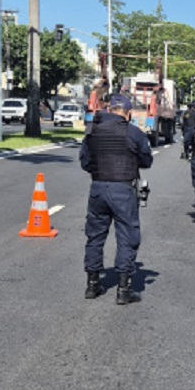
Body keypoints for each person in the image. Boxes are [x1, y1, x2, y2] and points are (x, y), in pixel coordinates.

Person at [79, 93, 154, 305]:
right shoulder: (133, 132)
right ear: (128, 114)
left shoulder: (92, 131)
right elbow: (146, 160)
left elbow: (85, 161)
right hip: (123, 190)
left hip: (98, 188)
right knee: (127, 237)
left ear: (109, 110)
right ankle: (123, 290)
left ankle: (92, 285)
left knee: (95, 236)